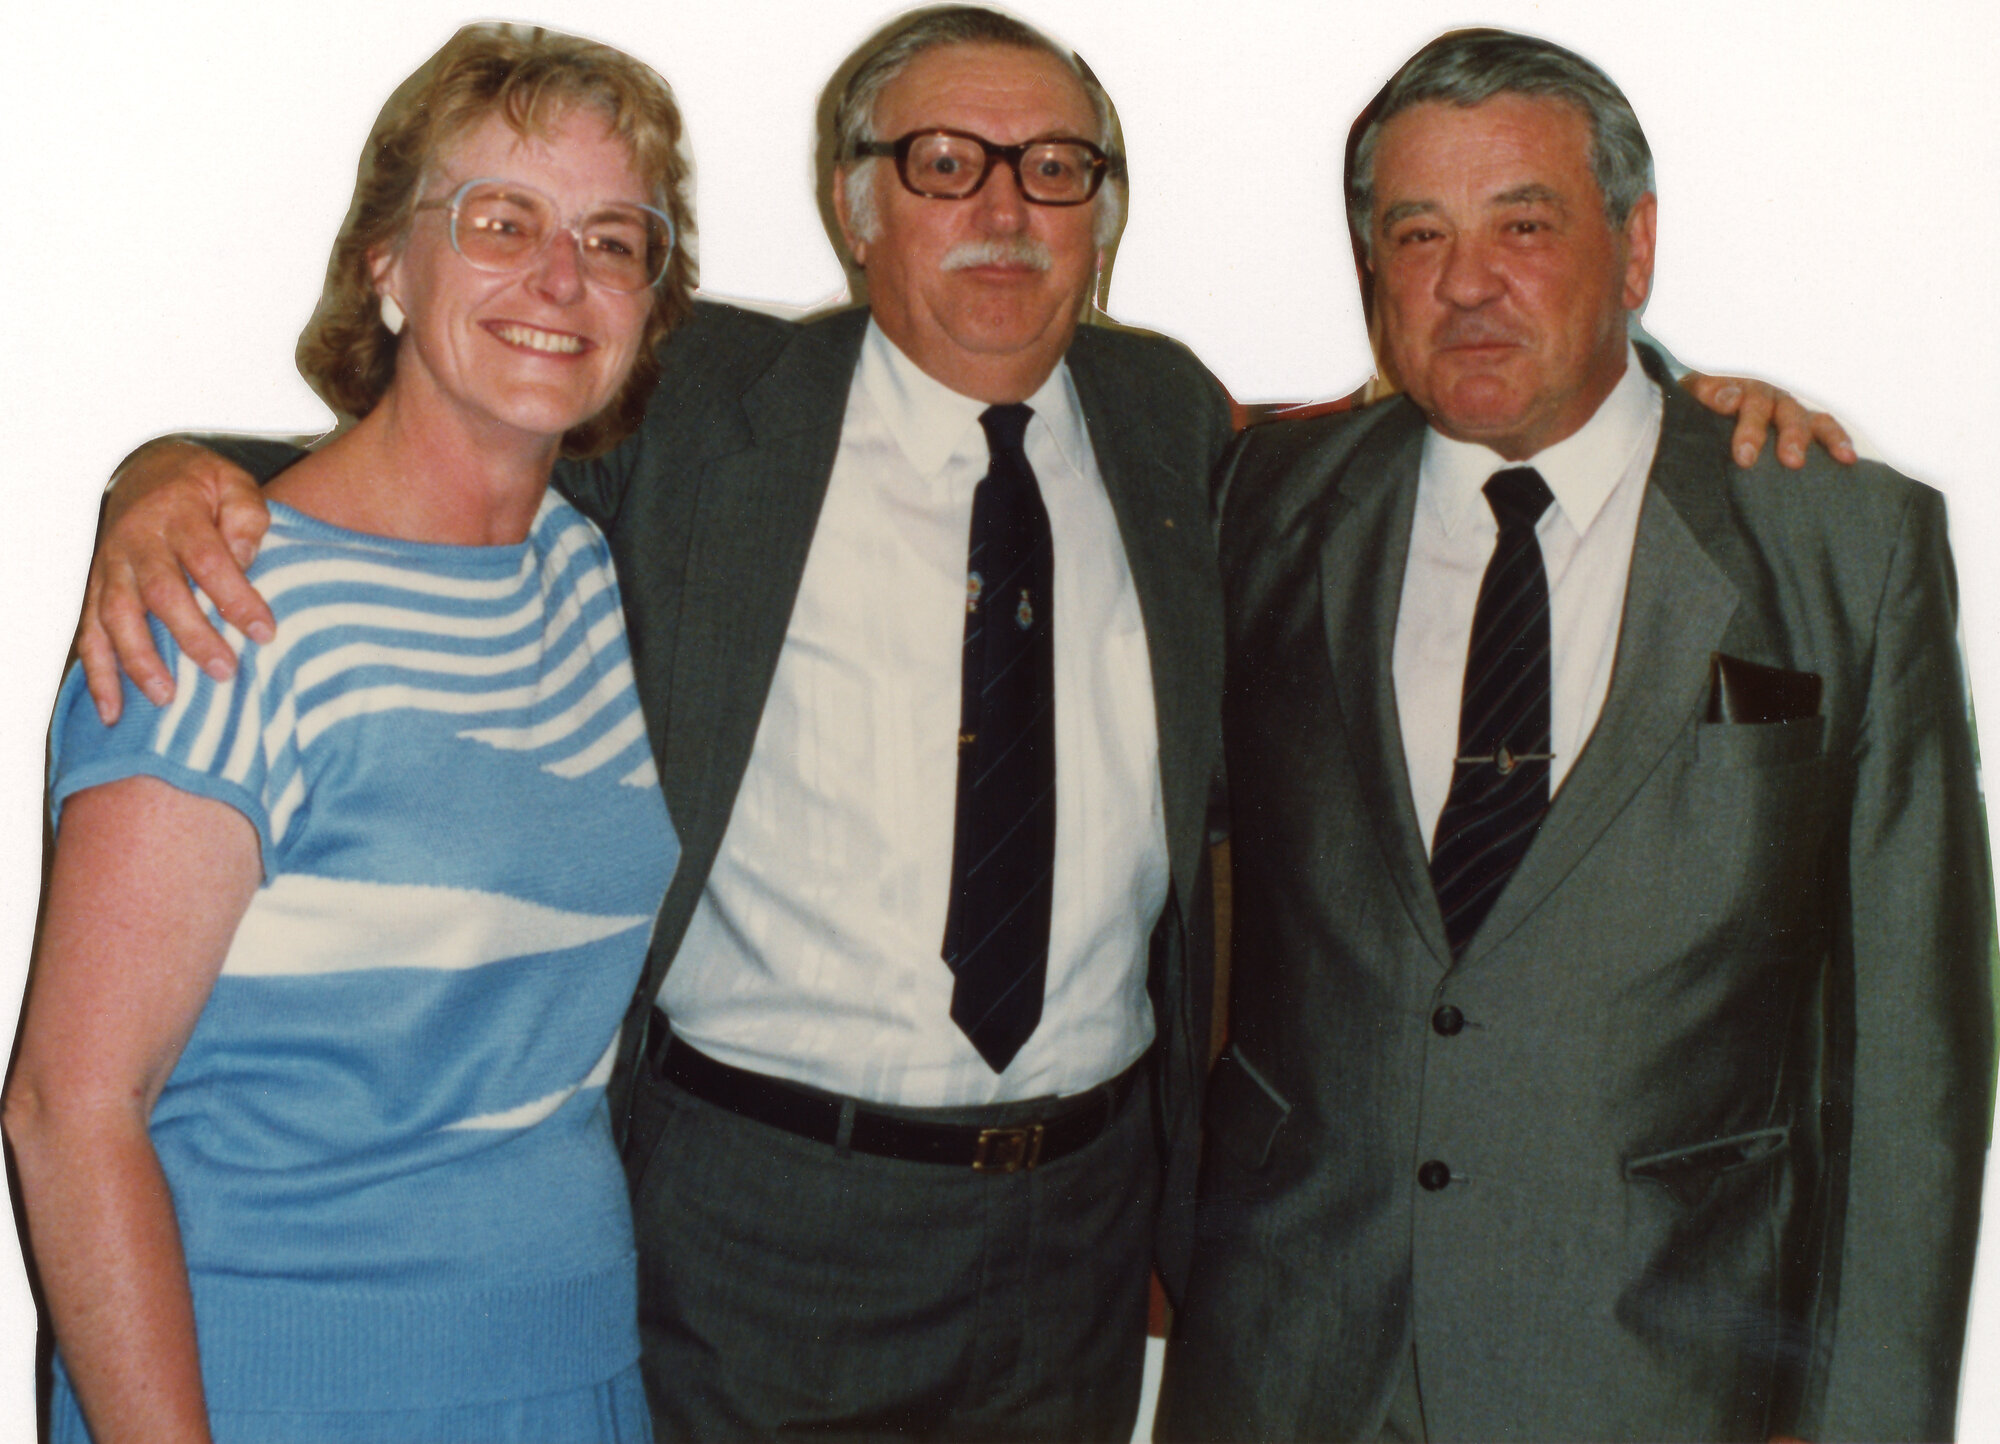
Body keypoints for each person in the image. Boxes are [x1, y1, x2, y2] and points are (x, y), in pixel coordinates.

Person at [64, 9, 1855, 1438]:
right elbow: (455, 424)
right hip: (756, 1226)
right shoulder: (703, 415)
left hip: (1073, 1240)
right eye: (944, 163)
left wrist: (1692, 398)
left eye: (1054, 168)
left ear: (1103, 216)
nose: (1003, 207)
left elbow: (1473, 377)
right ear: (858, 210)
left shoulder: (1174, 431)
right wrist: (168, 477)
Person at [1157, 27, 1993, 1443]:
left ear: (1636, 245)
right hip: (1289, 1365)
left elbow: (1912, 1068)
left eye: (1524, 225)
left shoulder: (1841, 544)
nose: (1466, 281)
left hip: (1655, 1375)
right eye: (1416, 233)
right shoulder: (1264, 501)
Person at [4, 23, 692, 1443]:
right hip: (276, 1387)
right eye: (502, 221)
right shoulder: (222, 605)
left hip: (567, 1375)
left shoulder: (576, 571)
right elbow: (71, 1112)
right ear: (387, 259)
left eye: (613, 241)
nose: (560, 279)